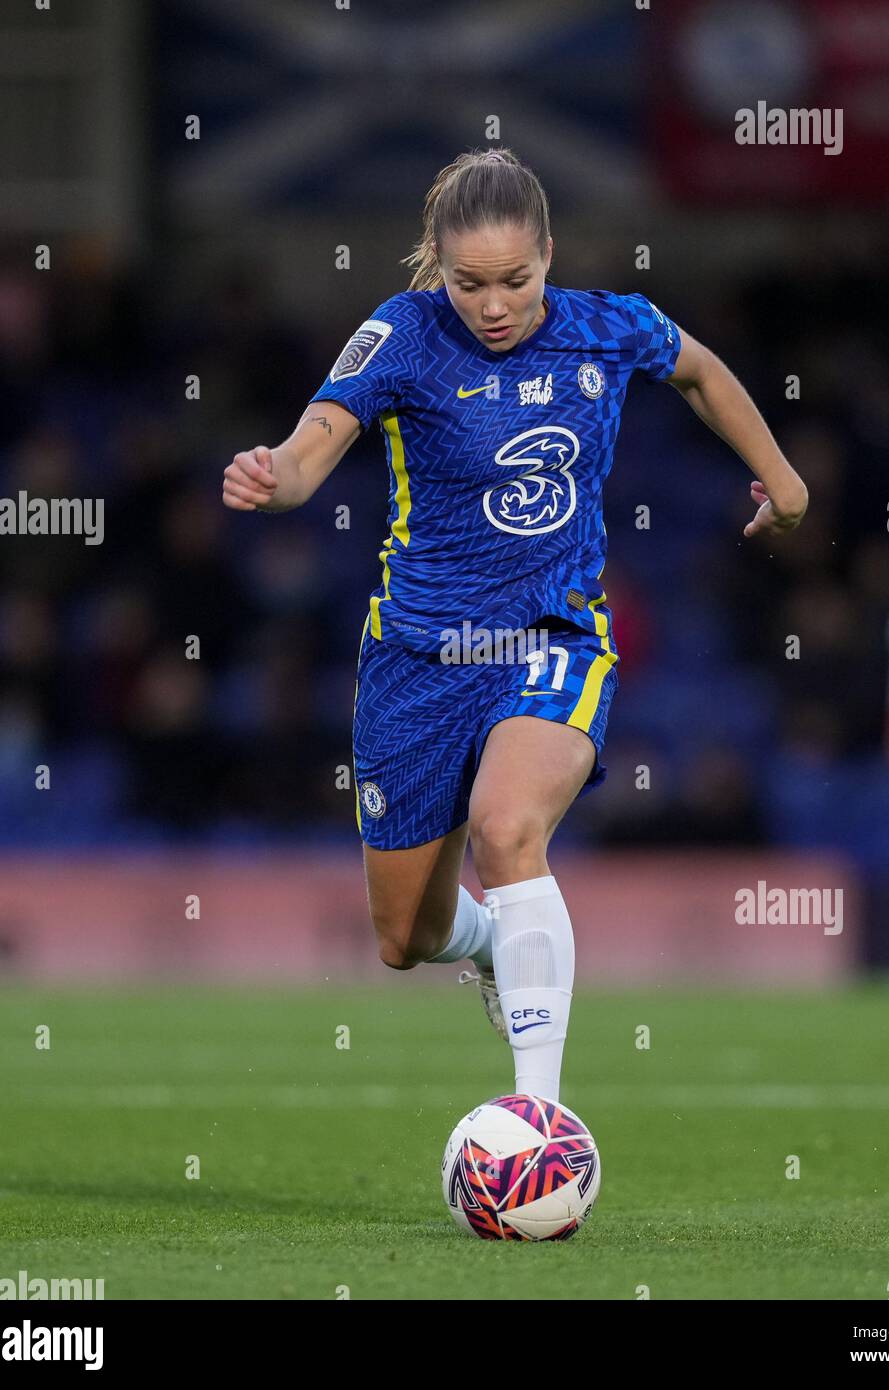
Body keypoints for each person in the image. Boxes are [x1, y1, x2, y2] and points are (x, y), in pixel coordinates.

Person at [222, 148, 808, 1102]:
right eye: (468, 284)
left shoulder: (608, 327)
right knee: (403, 939)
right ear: (437, 268)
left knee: (506, 834)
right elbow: (312, 446)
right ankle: (499, 945)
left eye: (514, 280)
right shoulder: (402, 334)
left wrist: (782, 482)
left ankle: (539, 1116)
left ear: (547, 253)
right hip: (418, 656)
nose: (492, 305)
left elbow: (699, 373)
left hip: (551, 639)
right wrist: (272, 478)